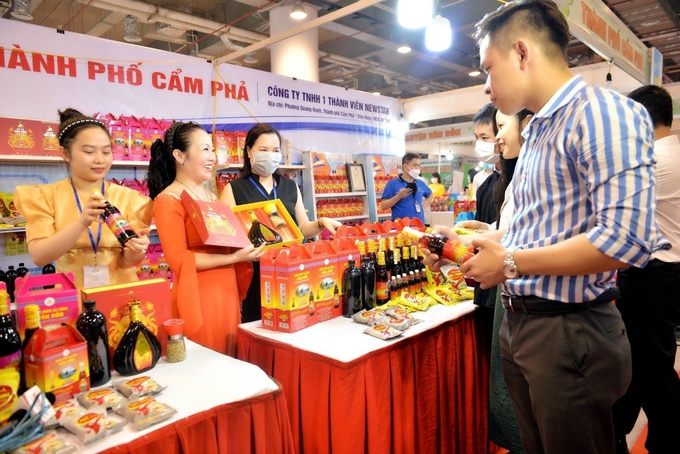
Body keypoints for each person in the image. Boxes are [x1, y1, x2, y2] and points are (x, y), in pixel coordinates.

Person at [427, 1, 668, 453]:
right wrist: (467, 241)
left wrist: (512, 262)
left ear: (521, 52)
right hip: (524, 327)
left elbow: (627, 240)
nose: (485, 86)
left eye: (488, 68)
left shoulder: (598, 114)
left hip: (569, 330)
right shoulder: (538, 131)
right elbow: (531, 227)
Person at [147, 121, 264, 356]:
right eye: (205, 150)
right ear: (179, 155)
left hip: (227, 291)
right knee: (207, 361)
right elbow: (178, 260)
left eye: (212, 149)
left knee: (230, 358)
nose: (213, 157)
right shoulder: (167, 200)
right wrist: (233, 259)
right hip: (199, 294)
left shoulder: (211, 196)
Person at [612, 85, 680, 454]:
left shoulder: (654, 161)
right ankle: (620, 428)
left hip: (651, 275)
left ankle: (668, 438)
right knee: (644, 362)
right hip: (666, 274)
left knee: (650, 369)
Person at [14, 108, 152, 290]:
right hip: (71, 296)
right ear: (65, 153)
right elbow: (40, 257)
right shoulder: (46, 196)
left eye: (106, 152)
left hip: (121, 294)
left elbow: (128, 262)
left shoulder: (130, 198)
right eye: (89, 152)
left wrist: (138, 249)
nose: (99, 160)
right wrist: (81, 223)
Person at [220, 123, 342, 323]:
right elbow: (226, 239)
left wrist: (320, 223)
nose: (270, 155)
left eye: (275, 150)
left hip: (291, 270)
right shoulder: (233, 189)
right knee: (259, 326)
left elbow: (302, 228)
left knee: (295, 322)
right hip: (254, 276)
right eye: (263, 150)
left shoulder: (290, 186)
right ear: (249, 152)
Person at [380, 152, 433, 223]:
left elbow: (430, 194)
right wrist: (398, 196)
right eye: (415, 165)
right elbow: (383, 206)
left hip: (419, 226)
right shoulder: (392, 183)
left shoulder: (420, 183)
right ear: (405, 167)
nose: (417, 168)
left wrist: (423, 206)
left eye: (419, 165)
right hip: (400, 227)